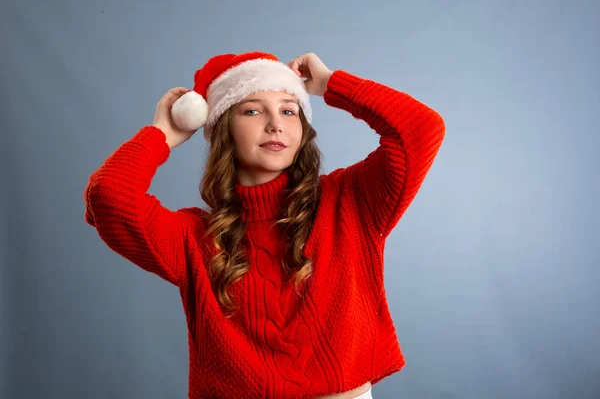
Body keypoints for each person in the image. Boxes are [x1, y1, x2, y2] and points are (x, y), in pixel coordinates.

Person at [83, 51, 446, 399]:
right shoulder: (195, 238)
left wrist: (331, 83)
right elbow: (110, 196)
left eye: (289, 111)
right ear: (223, 129)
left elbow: (421, 129)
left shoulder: (350, 201)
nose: (275, 123)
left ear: (302, 130)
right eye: (252, 110)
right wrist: (161, 134)